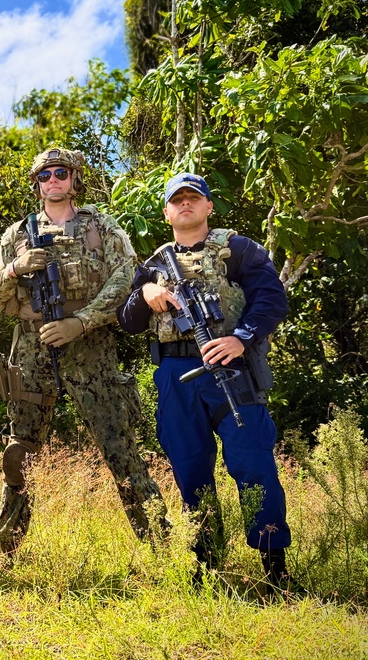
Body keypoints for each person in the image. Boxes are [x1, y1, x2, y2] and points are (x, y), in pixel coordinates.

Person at [116, 171, 298, 590]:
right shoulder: (153, 265)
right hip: (176, 377)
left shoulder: (239, 250)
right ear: (166, 212)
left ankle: (275, 569)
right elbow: (127, 321)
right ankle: (207, 565)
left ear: (208, 206)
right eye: (176, 200)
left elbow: (272, 299)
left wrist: (241, 338)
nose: (185, 204)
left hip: (232, 371)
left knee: (253, 465)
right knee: (189, 468)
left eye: (193, 198)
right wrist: (145, 294)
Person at [0, 147, 168, 556]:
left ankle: (163, 545)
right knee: (21, 449)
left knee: (118, 445)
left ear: (74, 178)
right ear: (37, 183)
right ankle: (7, 551)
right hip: (33, 345)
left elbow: (126, 279)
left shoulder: (101, 226)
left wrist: (81, 322)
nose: (53, 180)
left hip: (90, 347)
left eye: (61, 173)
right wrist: (16, 268)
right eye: (45, 175)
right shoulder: (18, 233)